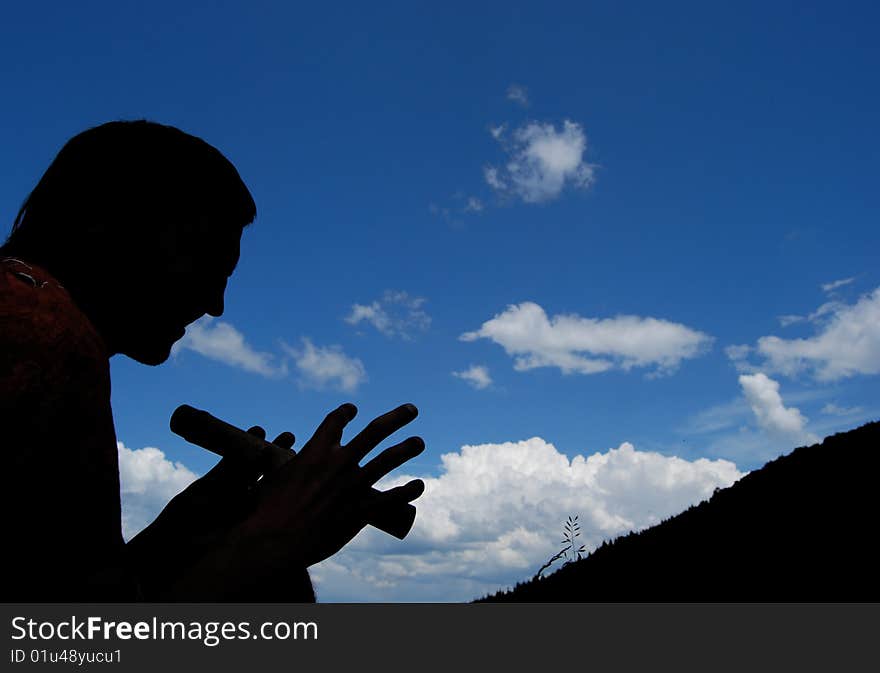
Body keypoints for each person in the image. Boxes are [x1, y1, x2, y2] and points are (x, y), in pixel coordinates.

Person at [0, 120, 426, 601]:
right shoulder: (43, 331)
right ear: (110, 225)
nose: (215, 303)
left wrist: (172, 535)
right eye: (203, 261)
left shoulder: (31, 311)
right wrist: (267, 543)